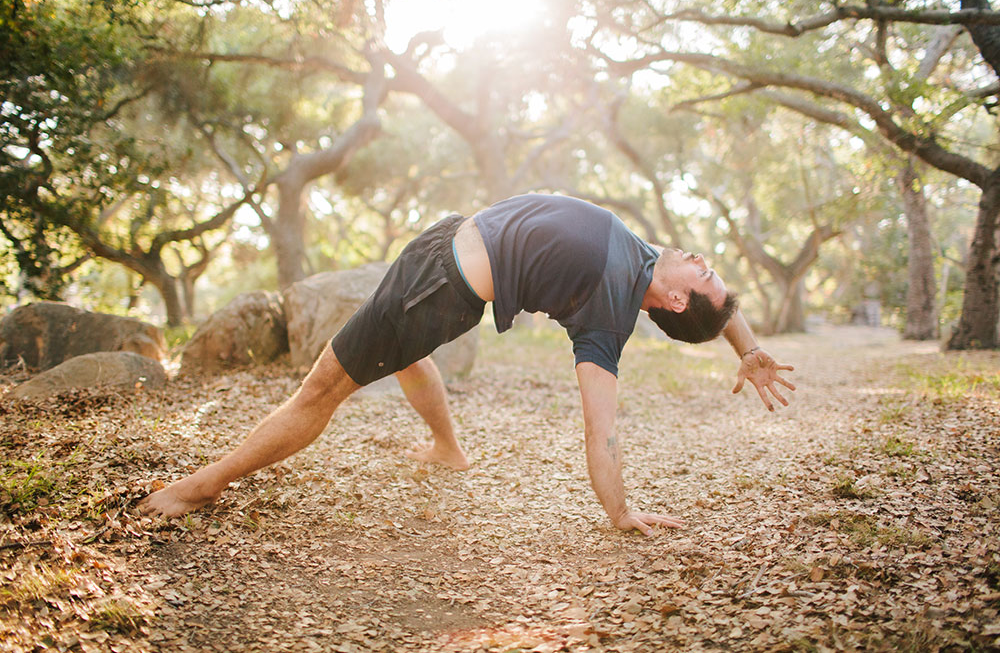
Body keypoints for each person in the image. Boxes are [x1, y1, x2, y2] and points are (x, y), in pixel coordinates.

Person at [140, 194, 795, 535]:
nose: (700, 255)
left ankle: (202, 484)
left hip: (437, 289)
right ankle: (447, 446)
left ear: (676, 298)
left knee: (320, 389)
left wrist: (620, 513)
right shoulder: (642, 262)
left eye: (702, 271)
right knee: (404, 355)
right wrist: (748, 345)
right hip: (439, 257)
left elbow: (602, 430)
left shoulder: (608, 307)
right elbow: (717, 307)